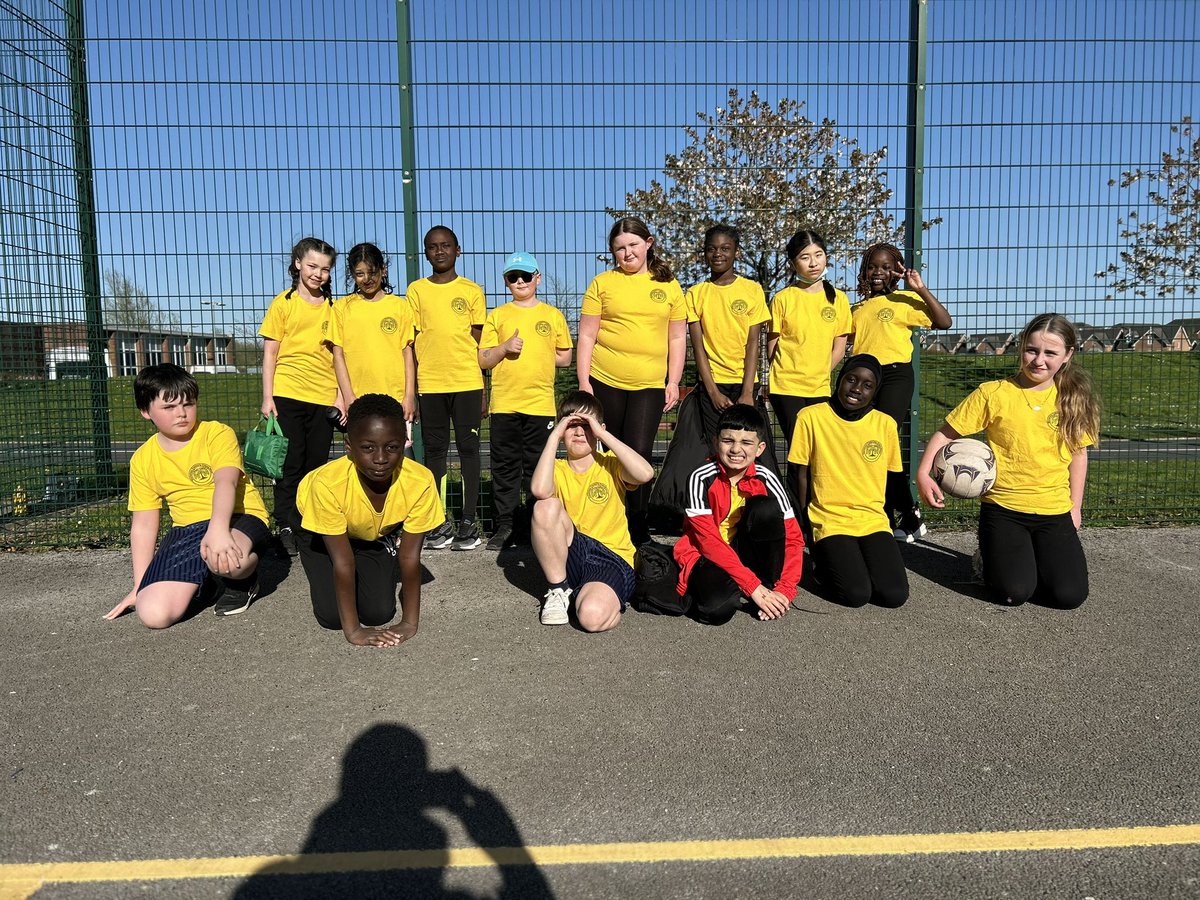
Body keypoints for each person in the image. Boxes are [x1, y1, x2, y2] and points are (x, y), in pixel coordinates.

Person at [916, 313, 1099, 609]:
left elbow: (1078, 454)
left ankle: (1029, 558)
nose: (1039, 360)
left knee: (1068, 596)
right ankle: (988, 559)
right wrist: (923, 474)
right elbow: (945, 434)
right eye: (1031, 350)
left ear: (1067, 355)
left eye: (1050, 353)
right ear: (1021, 348)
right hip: (1003, 508)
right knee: (1013, 593)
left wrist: (1075, 507)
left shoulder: (1074, 398)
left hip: (1053, 510)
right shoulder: (994, 393)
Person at [104, 364, 271, 627]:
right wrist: (139, 585)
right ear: (146, 412)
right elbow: (144, 525)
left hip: (237, 517)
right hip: (187, 529)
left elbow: (226, 483)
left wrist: (218, 530)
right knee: (153, 615)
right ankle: (202, 583)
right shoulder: (143, 459)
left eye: (188, 404)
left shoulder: (217, 433)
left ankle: (244, 583)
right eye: (169, 407)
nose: (181, 413)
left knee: (224, 559)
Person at [296, 394, 444, 646]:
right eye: (367, 448)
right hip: (320, 534)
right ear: (349, 448)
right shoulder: (328, 485)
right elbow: (343, 562)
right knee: (332, 617)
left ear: (404, 444)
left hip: (367, 533)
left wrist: (409, 622)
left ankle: (379, 546)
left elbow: (409, 557)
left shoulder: (420, 481)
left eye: (392, 447)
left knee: (379, 613)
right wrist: (353, 631)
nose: (380, 459)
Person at [576, 216, 686, 545]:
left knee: (638, 454)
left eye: (633, 245)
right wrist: (585, 383)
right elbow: (586, 335)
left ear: (648, 243)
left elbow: (677, 338)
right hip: (605, 381)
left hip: (649, 385)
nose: (627, 254)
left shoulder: (669, 286)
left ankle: (637, 527)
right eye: (619, 249)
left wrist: (673, 381)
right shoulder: (602, 284)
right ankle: (608, 522)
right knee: (608, 453)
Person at [788, 354, 909, 609]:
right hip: (830, 519)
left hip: (871, 518)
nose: (856, 389)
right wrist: (806, 527)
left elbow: (893, 477)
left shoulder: (884, 424)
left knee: (894, 595)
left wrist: (907, 514)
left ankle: (855, 560)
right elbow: (800, 475)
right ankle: (822, 564)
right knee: (856, 594)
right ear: (839, 380)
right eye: (851, 380)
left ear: (875, 391)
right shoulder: (811, 417)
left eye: (867, 385)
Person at [849, 243, 952, 543]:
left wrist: (920, 288)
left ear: (896, 270)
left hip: (895, 375)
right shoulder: (856, 309)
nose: (878, 272)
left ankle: (903, 513)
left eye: (885, 267)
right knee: (867, 446)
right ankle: (899, 513)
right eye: (872, 266)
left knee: (881, 440)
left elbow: (944, 322)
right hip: (865, 378)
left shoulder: (905, 300)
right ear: (864, 270)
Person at [529, 391, 654, 631]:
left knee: (591, 617)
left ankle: (594, 597)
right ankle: (558, 590)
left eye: (586, 426)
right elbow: (539, 490)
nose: (578, 432)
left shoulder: (611, 464)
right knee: (545, 506)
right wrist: (554, 436)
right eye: (571, 426)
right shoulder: (556, 467)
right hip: (572, 554)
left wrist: (603, 435)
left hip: (611, 558)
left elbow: (645, 474)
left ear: (598, 429)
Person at [672, 404, 803, 626]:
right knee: (716, 610)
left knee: (766, 509)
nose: (736, 449)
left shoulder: (767, 478)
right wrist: (751, 585)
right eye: (728, 440)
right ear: (716, 443)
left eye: (746, 443)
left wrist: (785, 590)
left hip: (747, 550)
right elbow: (708, 542)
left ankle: (767, 591)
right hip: (709, 554)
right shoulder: (699, 477)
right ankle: (750, 588)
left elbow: (793, 538)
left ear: (760, 448)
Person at [477, 251, 573, 551]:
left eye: (526, 276)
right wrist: (505, 348)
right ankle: (505, 525)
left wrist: (539, 355)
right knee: (504, 466)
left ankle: (535, 525)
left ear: (537, 278)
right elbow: (483, 359)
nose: (520, 281)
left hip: (540, 405)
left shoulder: (552, 315)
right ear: (505, 281)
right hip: (504, 404)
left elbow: (565, 356)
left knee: (537, 467)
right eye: (512, 277)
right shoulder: (498, 316)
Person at [259, 236, 342, 556]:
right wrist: (268, 398)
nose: (317, 274)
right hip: (288, 394)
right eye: (311, 266)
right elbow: (270, 354)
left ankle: (309, 523)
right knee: (289, 466)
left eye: (325, 269)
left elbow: (338, 355)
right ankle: (287, 525)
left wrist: (339, 396)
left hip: (323, 398)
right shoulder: (283, 303)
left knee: (316, 466)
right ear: (297, 264)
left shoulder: (335, 308)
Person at [406, 225, 486, 551]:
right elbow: (410, 344)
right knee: (434, 453)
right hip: (431, 385)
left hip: (467, 382)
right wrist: (412, 390)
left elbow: (482, 344)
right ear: (425, 252)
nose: (440, 251)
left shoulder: (471, 291)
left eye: (446, 245)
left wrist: (484, 388)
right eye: (433, 247)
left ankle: (468, 519)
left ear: (457, 250)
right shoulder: (416, 291)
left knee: (469, 450)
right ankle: (436, 520)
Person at [766, 228, 853, 495]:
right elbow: (773, 345)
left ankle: (819, 509)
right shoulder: (782, 298)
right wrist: (789, 370)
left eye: (819, 255)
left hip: (820, 388)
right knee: (798, 449)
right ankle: (796, 515)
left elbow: (840, 344)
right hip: (786, 388)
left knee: (819, 451)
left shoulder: (838, 299)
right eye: (805, 257)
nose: (813, 262)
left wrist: (820, 370)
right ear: (794, 263)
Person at [329, 242, 417, 426]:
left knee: (395, 451)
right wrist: (348, 397)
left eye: (373, 272)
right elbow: (338, 355)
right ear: (352, 274)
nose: (367, 279)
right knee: (363, 452)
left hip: (395, 398)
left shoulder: (400, 307)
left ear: (383, 270)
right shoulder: (341, 308)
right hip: (358, 399)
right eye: (360, 274)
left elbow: (407, 353)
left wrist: (409, 396)